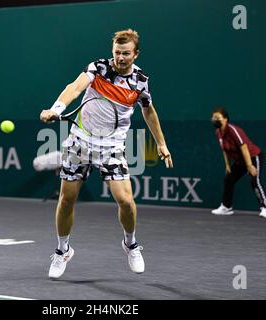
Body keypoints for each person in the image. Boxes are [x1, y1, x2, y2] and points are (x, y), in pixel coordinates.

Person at [40, 29, 173, 279]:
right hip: (80, 141)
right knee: (67, 199)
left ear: (135, 54)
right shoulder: (99, 67)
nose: (120, 58)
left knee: (126, 201)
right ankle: (62, 250)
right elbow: (75, 87)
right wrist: (56, 108)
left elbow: (149, 111)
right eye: (116, 53)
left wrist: (161, 144)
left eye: (125, 54)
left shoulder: (141, 81)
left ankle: (130, 244)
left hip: (111, 147)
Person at [211, 107, 266, 218]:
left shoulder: (233, 130)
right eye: (213, 118)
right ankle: (226, 207)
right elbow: (225, 150)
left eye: (217, 118)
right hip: (240, 161)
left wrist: (249, 165)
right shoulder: (218, 133)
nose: (214, 120)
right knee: (228, 179)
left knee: (254, 180)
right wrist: (228, 165)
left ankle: (265, 208)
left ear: (225, 119)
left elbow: (244, 147)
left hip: (253, 156)